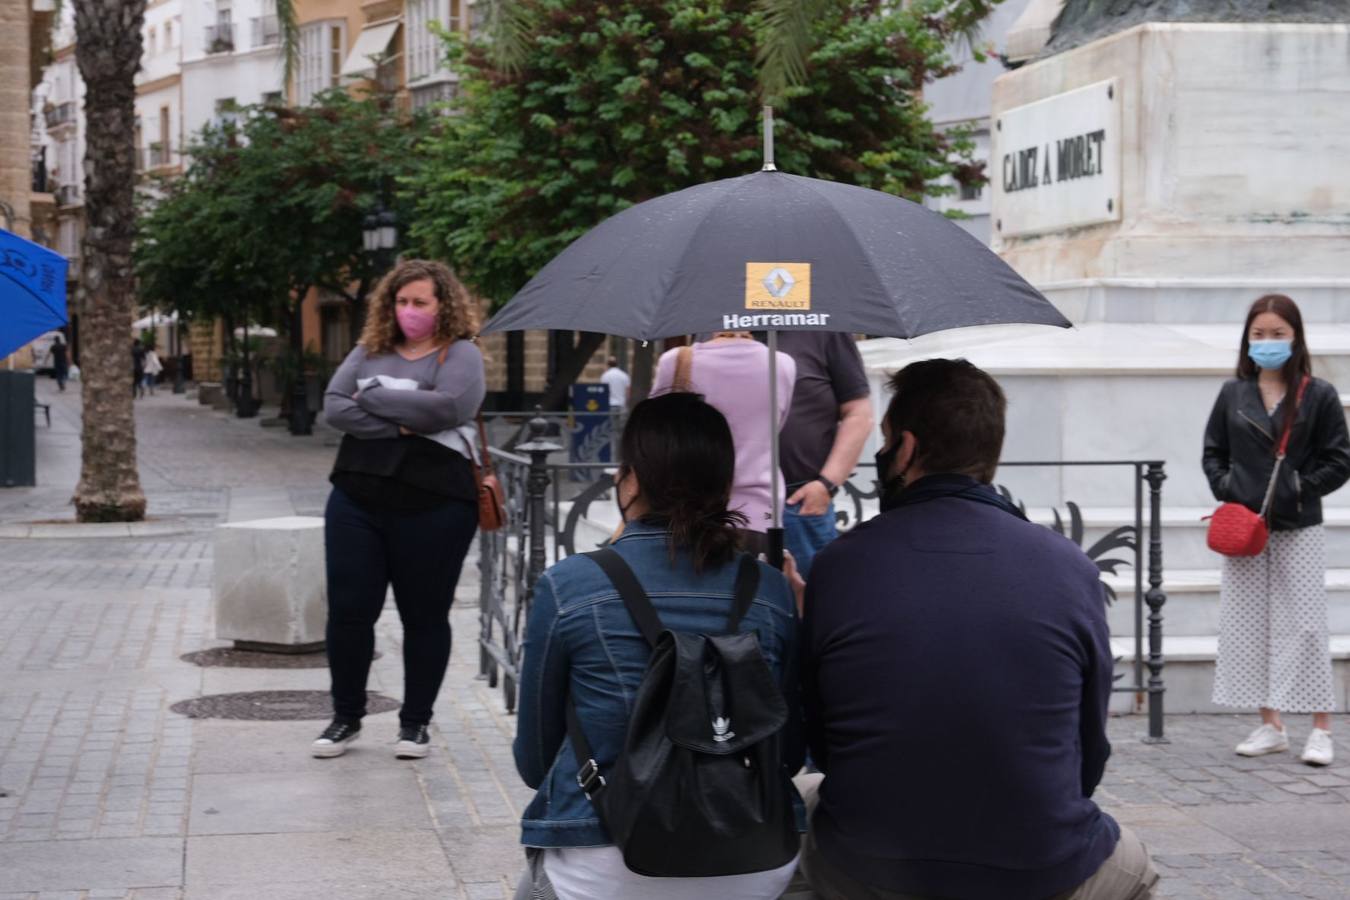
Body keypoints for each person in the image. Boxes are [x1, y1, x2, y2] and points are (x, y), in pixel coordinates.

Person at [796, 358, 1158, 900]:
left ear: (908, 448)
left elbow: (821, 745)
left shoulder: (839, 564)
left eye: (888, 441)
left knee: (794, 806)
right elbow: (1087, 754)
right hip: (1042, 869)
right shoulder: (1070, 567)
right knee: (1135, 867)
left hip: (871, 869)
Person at [512, 392, 803, 900]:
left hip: (605, 862)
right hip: (754, 858)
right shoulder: (771, 590)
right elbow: (792, 755)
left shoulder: (570, 584)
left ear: (632, 479)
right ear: (725, 484)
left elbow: (535, 763)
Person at [314, 259, 486, 760]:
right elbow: (334, 406)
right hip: (356, 493)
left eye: (420, 302)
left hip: (436, 501)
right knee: (349, 612)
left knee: (425, 615)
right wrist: (403, 421)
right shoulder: (369, 350)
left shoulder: (461, 354)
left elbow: (448, 409)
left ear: (443, 306)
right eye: (401, 301)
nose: (408, 311)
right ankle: (344, 717)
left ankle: (415, 725)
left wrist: (374, 398)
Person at [1203, 294, 1350, 766]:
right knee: (1250, 625)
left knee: (1305, 624)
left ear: (1295, 337)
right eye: (1259, 334)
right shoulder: (1233, 394)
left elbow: (1340, 459)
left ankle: (1321, 728)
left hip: (1298, 524)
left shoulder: (1318, 394)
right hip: (1245, 527)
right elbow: (1213, 453)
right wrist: (1230, 488)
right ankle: (1271, 723)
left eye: (1277, 333)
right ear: (1247, 339)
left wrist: (1298, 490)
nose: (1267, 342)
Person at [651, 332, 796, 552]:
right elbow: (776, 429)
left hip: (687, 512)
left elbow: (652, 432)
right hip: (760, 515)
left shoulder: (676, 361)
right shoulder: (783, 364)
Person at [777, 332, 872, 578]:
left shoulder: (824, 328)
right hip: (731, 506)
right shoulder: (715, 325)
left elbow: (859, 414)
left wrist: (826, 485)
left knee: (812, 606)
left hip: (800, 503)